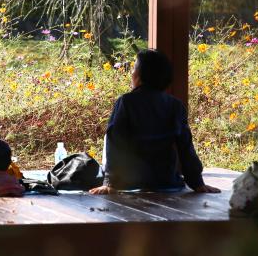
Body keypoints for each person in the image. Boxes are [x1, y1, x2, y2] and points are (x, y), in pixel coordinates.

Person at [89, 49, 221, 195]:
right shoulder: (175, 105)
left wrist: (110, 183)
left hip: (128, 183)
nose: (131, 73)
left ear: (139, 76)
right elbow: (185, 146)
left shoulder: (126, 102)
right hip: (166, 182)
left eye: (134, 68)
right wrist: (197, 183)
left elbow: (114, 143)